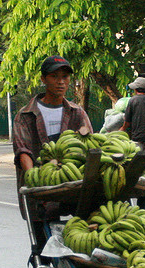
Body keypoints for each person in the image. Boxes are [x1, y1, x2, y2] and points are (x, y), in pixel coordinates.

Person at [12, 55, 93, 255]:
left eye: (65, 77)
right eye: (55, 76)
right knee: (43, 250)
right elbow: (23, 151)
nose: (61, 81)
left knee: (81, 244)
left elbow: (90, 146)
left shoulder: (77, 113)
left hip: (74, 191)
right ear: (43, 79)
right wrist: (35, 181)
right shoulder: (25, 115)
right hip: (40, 197)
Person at [120, 76, 145, 160]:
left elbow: (127, 121)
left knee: (138, 157)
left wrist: (122, 129)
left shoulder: (132, 101)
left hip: (139, 136)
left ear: (135, 89)